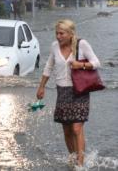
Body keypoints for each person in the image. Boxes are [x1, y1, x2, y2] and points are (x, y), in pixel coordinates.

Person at [36, 19, 101, 167]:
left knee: (76, 128)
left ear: (71, 33)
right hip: (62, 91)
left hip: (79, 90)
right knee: (66, 130)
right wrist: (41, 87)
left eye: (62, 33)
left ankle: (80, 164)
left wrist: (81, 65)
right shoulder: (54, 46)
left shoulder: (81, 44)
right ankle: (73, 157)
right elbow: (48, 67)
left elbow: (97, 62)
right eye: (56, 33)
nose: (58, 37)